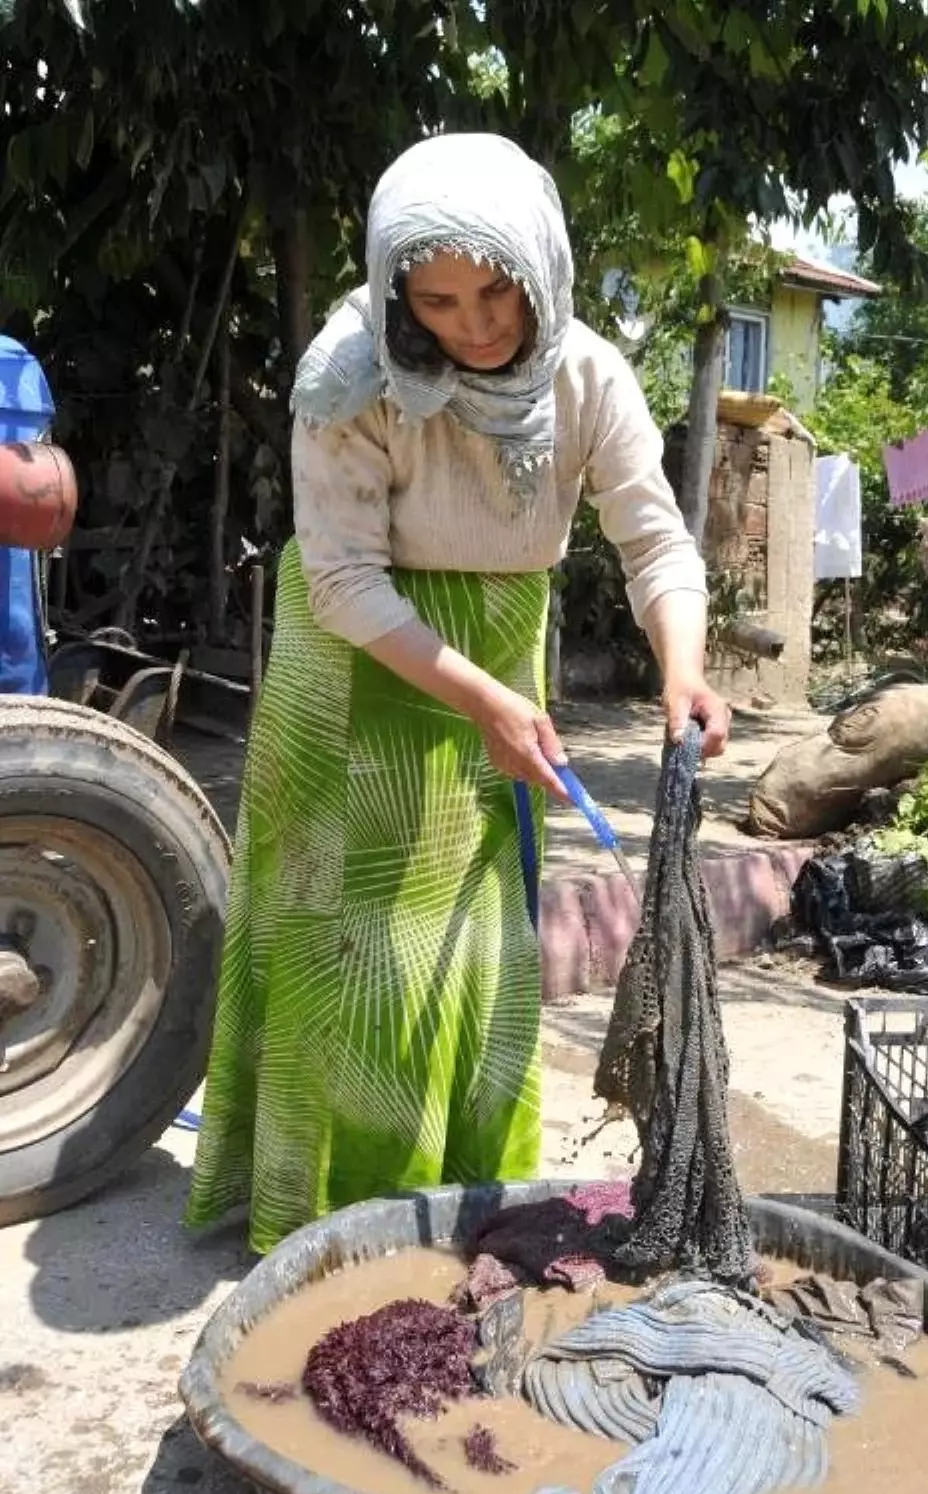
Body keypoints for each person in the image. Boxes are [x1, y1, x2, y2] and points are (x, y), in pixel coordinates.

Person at [185, 132, 730, 1254]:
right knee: (351, 947)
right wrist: (484, 700)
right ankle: (322, 1219)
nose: (475, 325)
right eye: (436, 301)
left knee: (472, 941)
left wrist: (684, 666)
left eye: (497, 292)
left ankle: (452, 1196)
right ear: (395, 293)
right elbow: (338, 579)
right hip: (357, 665)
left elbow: (655, 541)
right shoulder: (350, 383)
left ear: (541, 268)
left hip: (497, 659)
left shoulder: (588, 378)